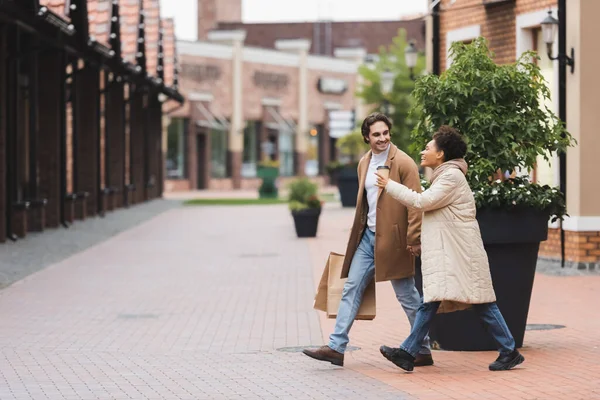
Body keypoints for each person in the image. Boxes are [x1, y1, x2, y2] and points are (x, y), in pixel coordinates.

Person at [375, 125, 524, 372]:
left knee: (481, 302)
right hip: (452, 252)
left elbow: (422, 202)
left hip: (460, 254)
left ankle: (509, 351)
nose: (423, 151)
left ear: (441, 154)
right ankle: (408, 352)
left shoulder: (451, 177)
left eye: (428, 147)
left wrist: (389, 185)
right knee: (432, 300)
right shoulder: (444, 176)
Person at [303, 113, 432, 367]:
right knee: (351, 287)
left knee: (407, 295)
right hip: (368, 238)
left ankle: (424, 349)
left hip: (396, 241)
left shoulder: (403, 163)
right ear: (367, 137)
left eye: (385, 133)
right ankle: (336, 346)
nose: (382, 138)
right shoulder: (364, 163)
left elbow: (416, 204)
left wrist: (414, 238)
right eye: (376, 134)